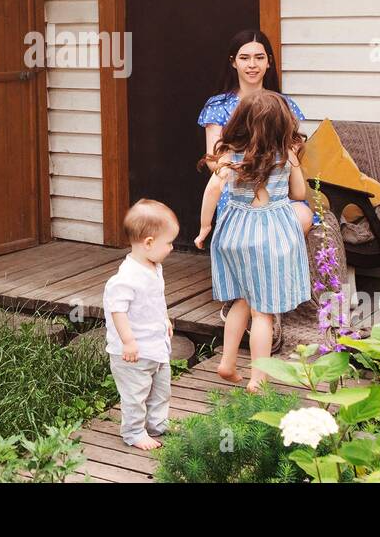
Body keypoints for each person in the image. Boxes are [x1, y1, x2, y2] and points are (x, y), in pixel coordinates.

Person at [195, 90, 310, 392]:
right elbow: (299, 195)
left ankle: (228, 362)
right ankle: (258, 378)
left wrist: (205, 227)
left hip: (234, 235)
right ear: (282, 125)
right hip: (268, 238)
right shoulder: (286, 157)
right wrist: (292, 167)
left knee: (242, 301)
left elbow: (211, 192)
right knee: (263, 313)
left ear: (240, 122)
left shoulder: (229, 157)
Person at [197, 29, 314, 236]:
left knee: (303, 215)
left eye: (259, 57)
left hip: (278, 186)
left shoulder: (283, 105)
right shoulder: (218, 105)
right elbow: (212, 159)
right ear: (233, 62)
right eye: (244, 58)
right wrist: (245, 170)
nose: (252, 64)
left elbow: (293, 153)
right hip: (236, 188)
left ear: (268, 62)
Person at [103, 198, 176, 450]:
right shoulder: (125, 278)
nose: (172, 247)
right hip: (132, 353)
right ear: (148, 243)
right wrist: (128, 341)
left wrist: (164, 318)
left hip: (156, 346)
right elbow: (117, 310)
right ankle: (134, 432)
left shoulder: (154, 268)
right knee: (135, 395)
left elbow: (156, 299)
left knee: (160, 388)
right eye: (168, 243)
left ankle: (157, 423)